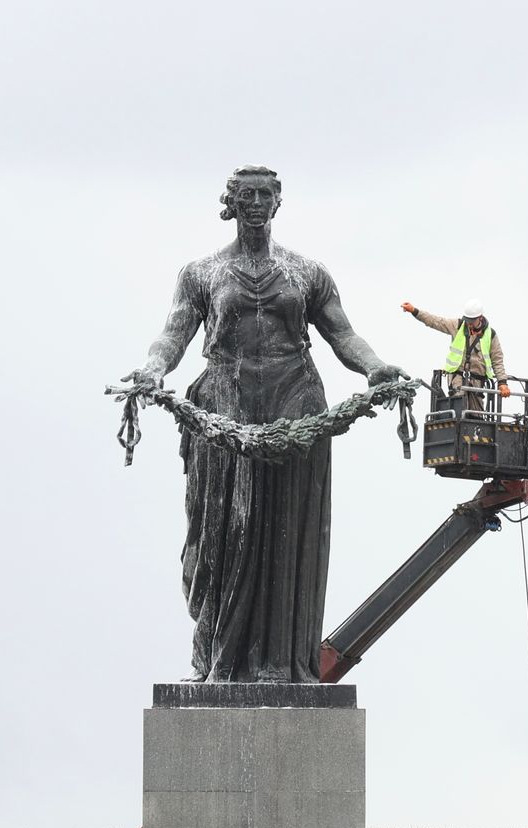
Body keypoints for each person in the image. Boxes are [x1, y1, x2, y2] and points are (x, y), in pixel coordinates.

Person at [123, 166, 408, 682]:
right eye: (246, 194)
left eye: (266, 195)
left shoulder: (307, 273)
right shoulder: (201, 273)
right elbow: (172, 336)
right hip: (224, 407)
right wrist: (150, 370)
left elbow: (343, 335)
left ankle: (282, 664)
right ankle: (217, 658)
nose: (256, 202)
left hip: (294, 402)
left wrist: (375, 367)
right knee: (222, 536)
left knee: (287, 534)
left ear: (278, 204)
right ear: (230, 203)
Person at [402, 298, 510, 412]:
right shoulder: (458, 326)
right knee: (459, 406)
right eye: (467, 320)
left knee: (476, 414)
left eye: (472, 321)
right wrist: (414, 311)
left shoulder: (490, 335)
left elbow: (497, 360)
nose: (469, 323)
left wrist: (502, 383)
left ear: (480, 318)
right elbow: (435, 321)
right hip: (458, 376)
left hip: (478, 380)